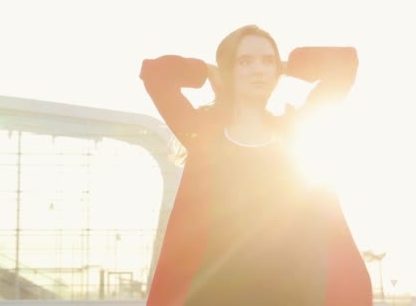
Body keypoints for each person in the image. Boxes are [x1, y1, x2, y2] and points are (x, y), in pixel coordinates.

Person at [139, 24, 372, 305]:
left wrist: (287, 66)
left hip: (294, 292)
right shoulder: (203, 134)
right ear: (229, 70)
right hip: (215, 294)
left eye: (267, 61)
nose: (258, 69)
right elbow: (154, 74)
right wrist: (207, 71)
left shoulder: (296, 132)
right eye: (245, 62)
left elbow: (345, 64)